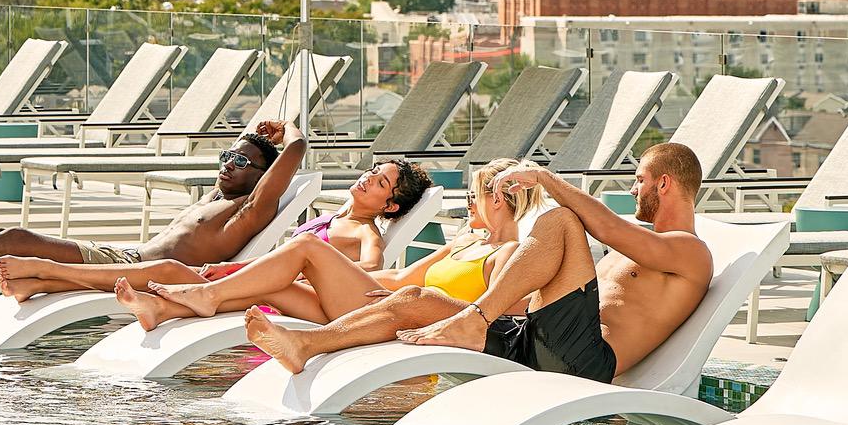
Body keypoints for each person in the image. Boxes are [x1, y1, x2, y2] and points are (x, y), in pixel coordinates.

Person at [243, 142, 713, 382]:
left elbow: (607, 229)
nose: (634, 189)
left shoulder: (690, 251)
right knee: (414, 298)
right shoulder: (649, 244)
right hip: (538, 339)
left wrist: (546, 179)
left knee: (564, 220)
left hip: (587, 362)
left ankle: (475, 318)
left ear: (665, 184)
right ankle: (307, 345)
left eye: (639, 180)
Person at [0, 120, 308, 301]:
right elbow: (250, 157)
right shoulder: (218, 198)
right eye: (226, 156)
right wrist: (252, 139)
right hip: (127, 255)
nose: (228, 165)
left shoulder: (247, 211)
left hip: (140, 270)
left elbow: (296, 152)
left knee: (14, 240)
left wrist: (287, 133)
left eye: (242, 162)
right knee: (4, 230)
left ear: (260, 179)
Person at [112, 157, 535, 331]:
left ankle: (205, 295)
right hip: (373, 301)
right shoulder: (464, 243)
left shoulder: (510, 253)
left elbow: (503, 314)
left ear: (497, 199)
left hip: (397, 319)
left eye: (473, 196)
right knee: (272, 286)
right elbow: (401, 276)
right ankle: (163, 308)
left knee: (309, 250)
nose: (467, 204)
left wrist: (329, 271)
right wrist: (332, 281)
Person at [0, 157, 437, 303]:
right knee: (167, 271)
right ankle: (45, 279)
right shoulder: (338, 216)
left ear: (390, 205)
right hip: (254, 281)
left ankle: (45, 270)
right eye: (372, 171)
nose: (367, 179)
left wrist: (305, 274)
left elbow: (371, 276)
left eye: (380, 182)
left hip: (271, 296)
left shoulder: (366, 235)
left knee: (167, 269)